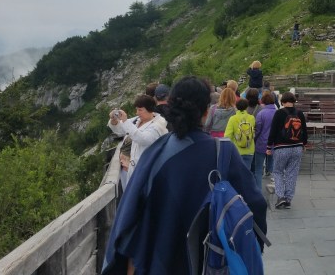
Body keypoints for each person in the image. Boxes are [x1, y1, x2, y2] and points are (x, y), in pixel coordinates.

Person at [102, 76, 267, 274]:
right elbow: (255, 204)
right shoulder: (222, 152)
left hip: (159, 261)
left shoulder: (155, 153)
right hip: (209, 261)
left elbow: (129, 217)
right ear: (206, 112)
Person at [108, 94, 168, 186]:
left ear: (150, 109)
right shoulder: (138, 120)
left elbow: (142, 138)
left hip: (148, 172)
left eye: (140, 110)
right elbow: (121, 129)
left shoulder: (158, 126)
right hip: (134, 170)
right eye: (137, 109)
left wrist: (125, 120)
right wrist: (114, 120)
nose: (137, 113)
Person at [267, 92, 308, 209]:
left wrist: (269, 147)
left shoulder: (279, 113)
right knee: (292, 173)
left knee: (278, 171)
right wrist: (304, 144)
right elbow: (304, 130)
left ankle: (280, 197)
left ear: (283, 101)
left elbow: (273, 131)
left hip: (281, 147)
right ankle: (288, 198)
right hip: (297, 147)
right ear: (294, 101)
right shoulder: (299, 113)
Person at [254, 92, 278, 188]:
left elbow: (257, 130)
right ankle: (274, 186)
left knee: (258, 169)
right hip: (275, 144)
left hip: (261, 143)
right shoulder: (278, 113)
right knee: (274, 167)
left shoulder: (261, 113)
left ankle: (258, 190)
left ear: (263, 102)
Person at [225, 98, 257, 170]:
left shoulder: (233, 119)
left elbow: (227, 136)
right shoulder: (252, 118)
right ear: (247, 107)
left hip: (236, 150)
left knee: (237, 174)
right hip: (249, 149)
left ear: (236, 106)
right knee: (247, 172)